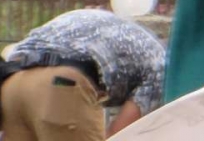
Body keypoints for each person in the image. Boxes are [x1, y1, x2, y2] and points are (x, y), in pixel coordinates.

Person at [1, 8, 164, 140]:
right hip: (60, 84)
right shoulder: (161, 67)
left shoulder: (127, 34)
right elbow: (118, 134)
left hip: (12, 83)